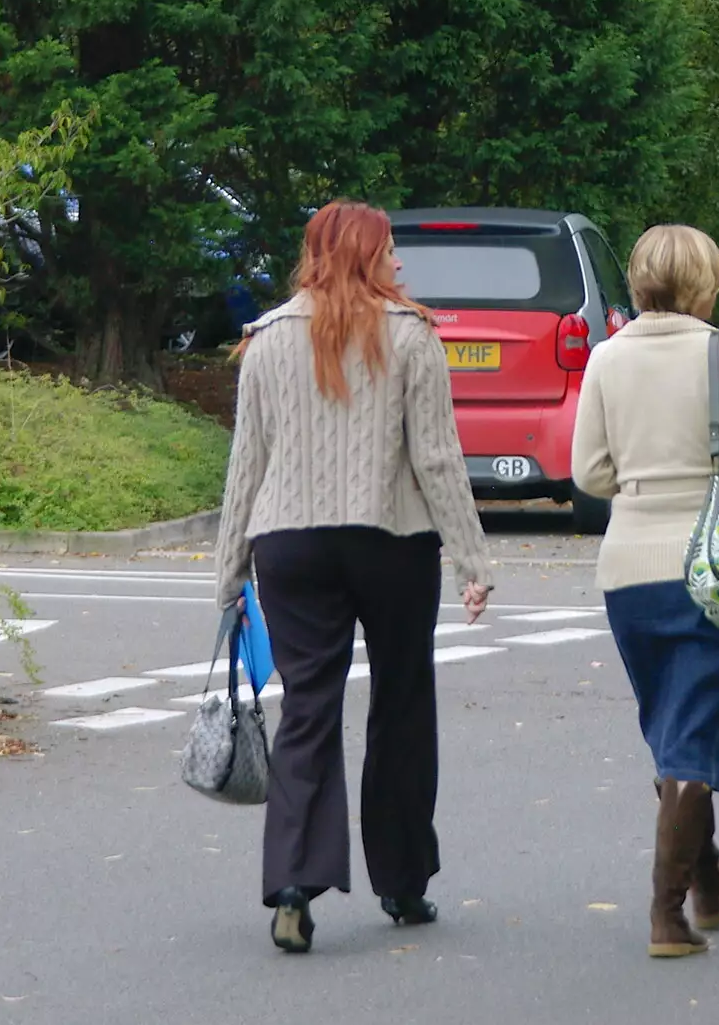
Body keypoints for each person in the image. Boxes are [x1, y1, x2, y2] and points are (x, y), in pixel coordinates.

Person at [215, 199, 495, 954]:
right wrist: (474, 559)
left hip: (289, 544)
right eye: (391, 250)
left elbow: (248, 461)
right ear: (369, 256)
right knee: (401, 703)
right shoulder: (412, 336)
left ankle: (294, 886)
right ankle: (403, 882)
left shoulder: (266, 339)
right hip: (391, 539)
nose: (400, 263)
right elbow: (435, 458)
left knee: (307, 706)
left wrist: (228, 572)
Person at [570, 224, 719, 958]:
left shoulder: (605, 357)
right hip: (707, 565)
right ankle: (666, 914)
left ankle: (708, 880)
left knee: (672, 729)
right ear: (705, 281)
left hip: (627, 569)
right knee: (691, 734)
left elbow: (589, 473)